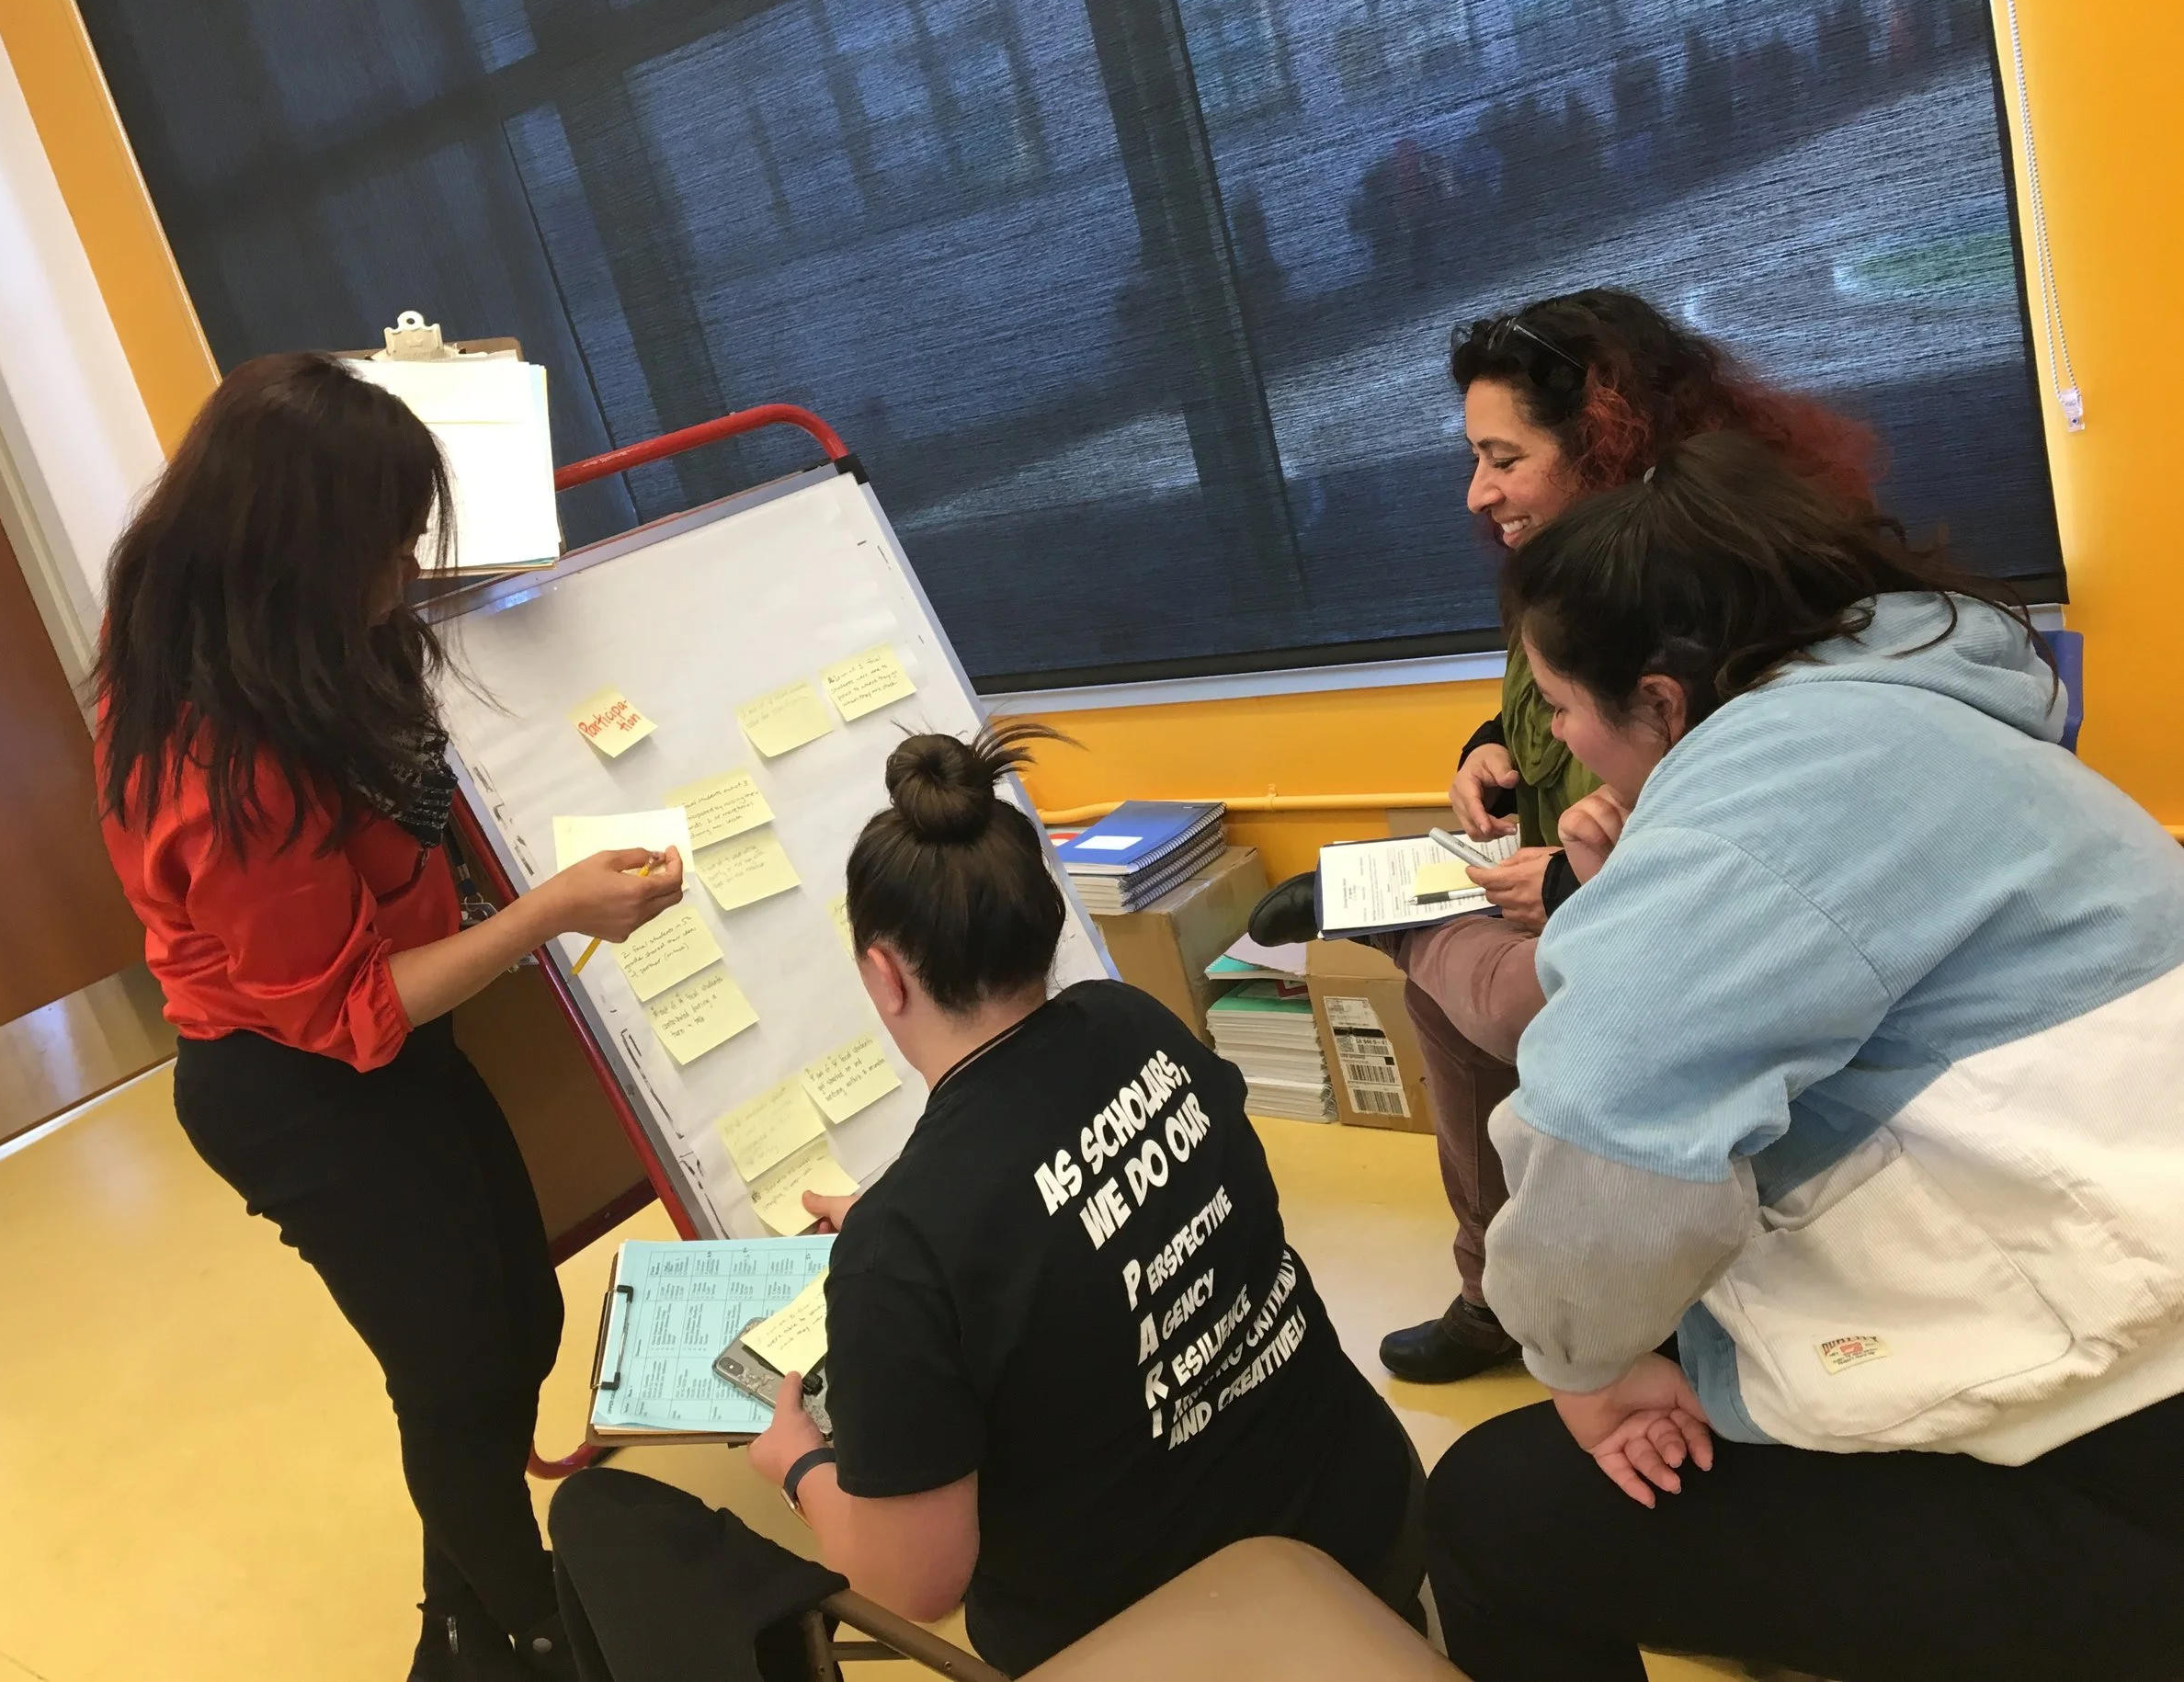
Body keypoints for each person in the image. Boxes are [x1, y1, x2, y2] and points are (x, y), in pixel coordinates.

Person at [1426, 434, 2184, 1680]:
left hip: (2130, 1436)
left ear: (1662, 702)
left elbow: (1603, 1138)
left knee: (1492, 1503)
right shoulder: (1915, 704)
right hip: (2117, 1235)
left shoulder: (1760, 798)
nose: (1557, 733)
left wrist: (1582, 1368)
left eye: (1559, 707)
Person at [94, 354, 684, 1682]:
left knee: (516, 1321)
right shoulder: (219, 758)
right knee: (457, 1369)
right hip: (293, 1086)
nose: (411, 566)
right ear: (298, 551)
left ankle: (458, 1627)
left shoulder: (293, 644)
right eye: (390, 540)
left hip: (399, 1043)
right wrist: (553, 912)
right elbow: (349, 1011)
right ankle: (540, 1631)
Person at [1248, 288, 1880, 1383]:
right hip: (1566, 889)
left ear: (1602, 444)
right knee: (1447, 1006)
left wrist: (1578, 889)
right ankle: (1494, 1292)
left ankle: (1392, 915)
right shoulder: (1576, 572)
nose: (1476, 493)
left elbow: (1737, 871)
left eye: (1503, 459)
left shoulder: (1719, 611)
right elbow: (1556, 706)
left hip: (1669, 945)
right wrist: (1491, 744)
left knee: (1475, 986)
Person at [743, 725, 1425, 1676]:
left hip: (1183, 1632)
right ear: (1047, 919)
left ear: (883, 975)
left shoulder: (906, 1245)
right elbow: (1075, 1214)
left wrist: (798, 1466)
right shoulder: (1130, 1019)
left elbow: (912, 1582)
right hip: (1367, 1513)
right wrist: (905, 1244)